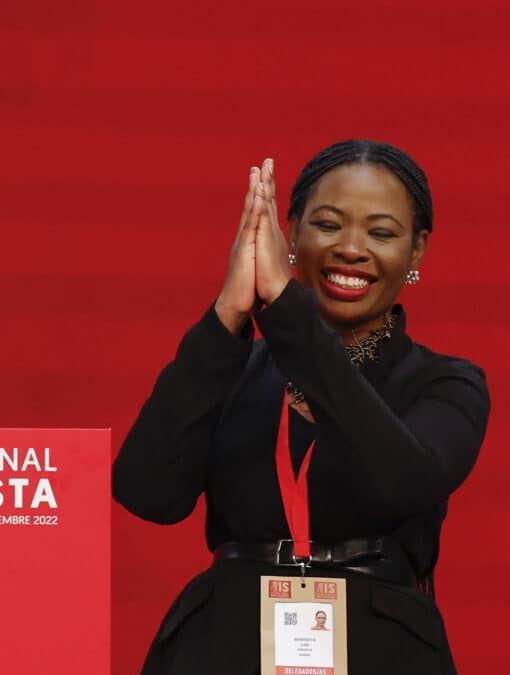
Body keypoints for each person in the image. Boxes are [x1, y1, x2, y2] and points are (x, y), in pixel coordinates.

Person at [113, 139, 490, 674]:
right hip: (221, 649)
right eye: (329, 225)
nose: (352, 249)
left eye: (381, 233)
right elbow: (146, 492)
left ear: (417, 250)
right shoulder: (230, 363)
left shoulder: (444, 382)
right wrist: (228, 316)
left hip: (383, 652)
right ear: (289, 232)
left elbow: (406, 479)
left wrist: (288, 310)